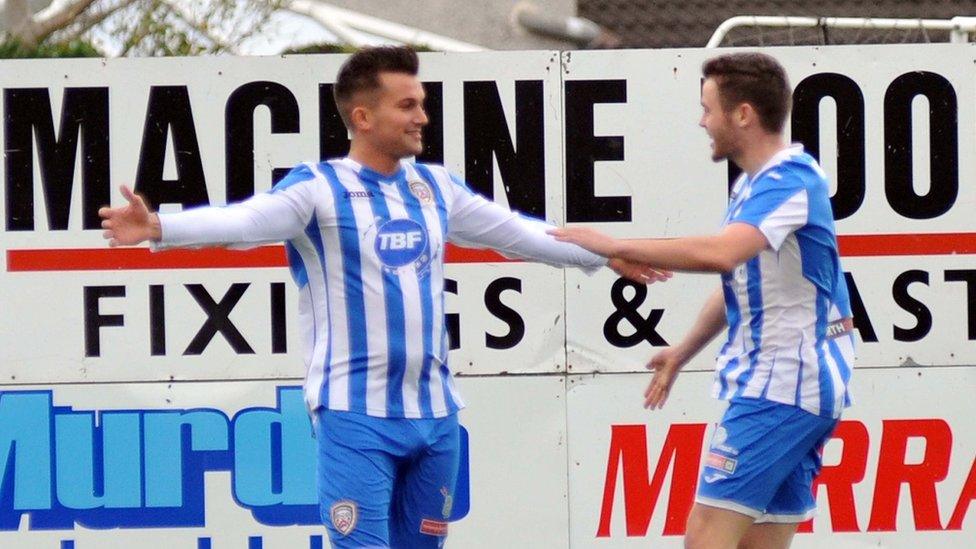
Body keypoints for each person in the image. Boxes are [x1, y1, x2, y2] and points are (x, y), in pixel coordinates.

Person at [99, 46, 662, 548]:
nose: (422, 116)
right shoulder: (317, 188)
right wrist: (160, 229)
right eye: (407, 106)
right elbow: (244, 221)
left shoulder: (434, 186)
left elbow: (521, 234)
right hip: (354, 413)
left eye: (421, 103)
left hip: (436, 415)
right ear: (362, 118)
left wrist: (607, 253)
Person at [550, 52, 855, 549]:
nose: (702, 121)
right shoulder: (758, 185)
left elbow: (720, 254)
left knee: (705, 539)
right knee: (757, 543)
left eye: (708, 109)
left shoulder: (790, 181)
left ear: (743, 115)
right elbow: (739, 275)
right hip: (796, 388)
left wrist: (613, 245)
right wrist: (681, 352)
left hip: (780, 387)